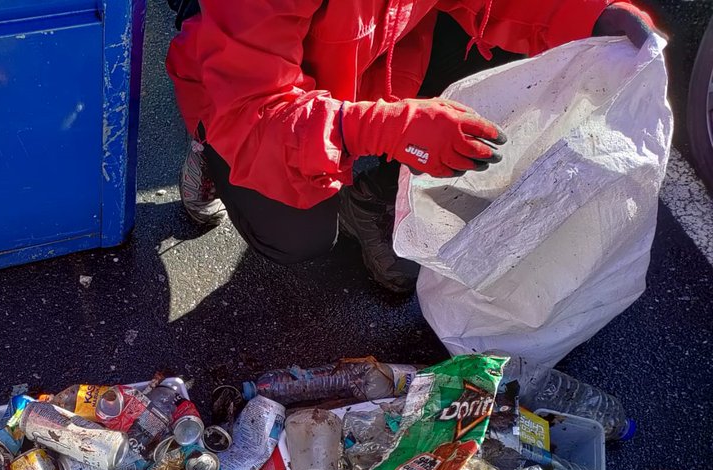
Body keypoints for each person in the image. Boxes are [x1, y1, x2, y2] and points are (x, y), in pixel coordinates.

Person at [166, 1, 658, 293]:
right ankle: (211, 151)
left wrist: (591, 15)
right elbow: (254, 110)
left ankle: (371, 193)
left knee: (527, 52)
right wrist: (390, 130)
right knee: (297, 233)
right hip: (245, 96)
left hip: (378, 52)